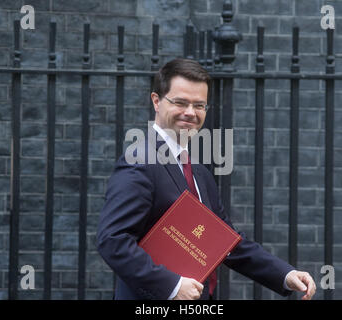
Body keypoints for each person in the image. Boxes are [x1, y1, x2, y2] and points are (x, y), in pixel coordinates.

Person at [97, 58, 316, 300]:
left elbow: (226, 243)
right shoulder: (140, 160)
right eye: (180, 102)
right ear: (156, 101)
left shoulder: (199, 173)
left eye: (199, 105)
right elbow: (113, 240)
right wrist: (172, 285)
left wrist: (285, 274)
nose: (190, 112)